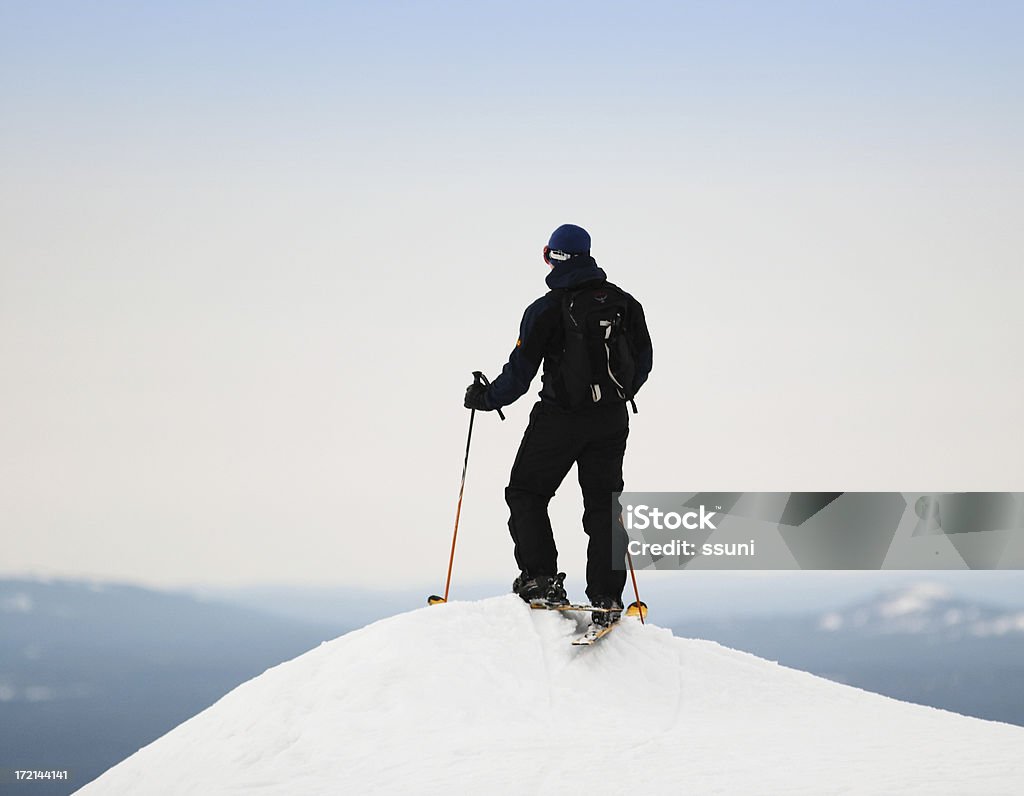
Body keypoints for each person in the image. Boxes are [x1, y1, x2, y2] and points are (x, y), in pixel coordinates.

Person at [464, 224, 653, 626]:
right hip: (612, 421)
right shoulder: (624, 303)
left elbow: (519, 375)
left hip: (560, 419)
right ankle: (606, 596)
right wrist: (618, 396)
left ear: (553, 256)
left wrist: (485, 398)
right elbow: (644, 360)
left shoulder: (547, 309)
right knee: (605, 506)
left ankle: (542, 581)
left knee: (527, 493)